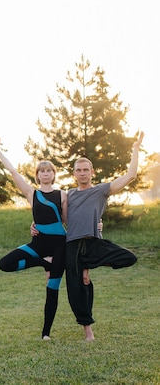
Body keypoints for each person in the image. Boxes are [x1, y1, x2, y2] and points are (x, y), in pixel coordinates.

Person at [64, 132, 144, 341]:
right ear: (74, 174)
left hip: (93, 243)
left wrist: (134, 150)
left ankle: (90, 263)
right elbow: (52, 215)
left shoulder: (101, 191)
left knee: (128, 257)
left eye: (85, 170)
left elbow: (130, 176)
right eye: (78, 170)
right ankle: (87, 330)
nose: (82, 173)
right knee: (76, 289)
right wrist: (34, 224)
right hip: (72, 245)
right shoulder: (68, 195)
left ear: (92, 172)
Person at [0, 135, 67, 340]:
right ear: (37, 175)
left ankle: (46, 333)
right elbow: (13, 172)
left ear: (53, 174)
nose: (45, 173)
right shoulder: (31, 193)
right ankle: (44, 263)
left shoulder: (62, 195)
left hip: (60, 244)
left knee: (53, 288)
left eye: (49, 170)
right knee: (4, 263)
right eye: (42, 170)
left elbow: (69, 220)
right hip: (39, 243)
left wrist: (98, 225)